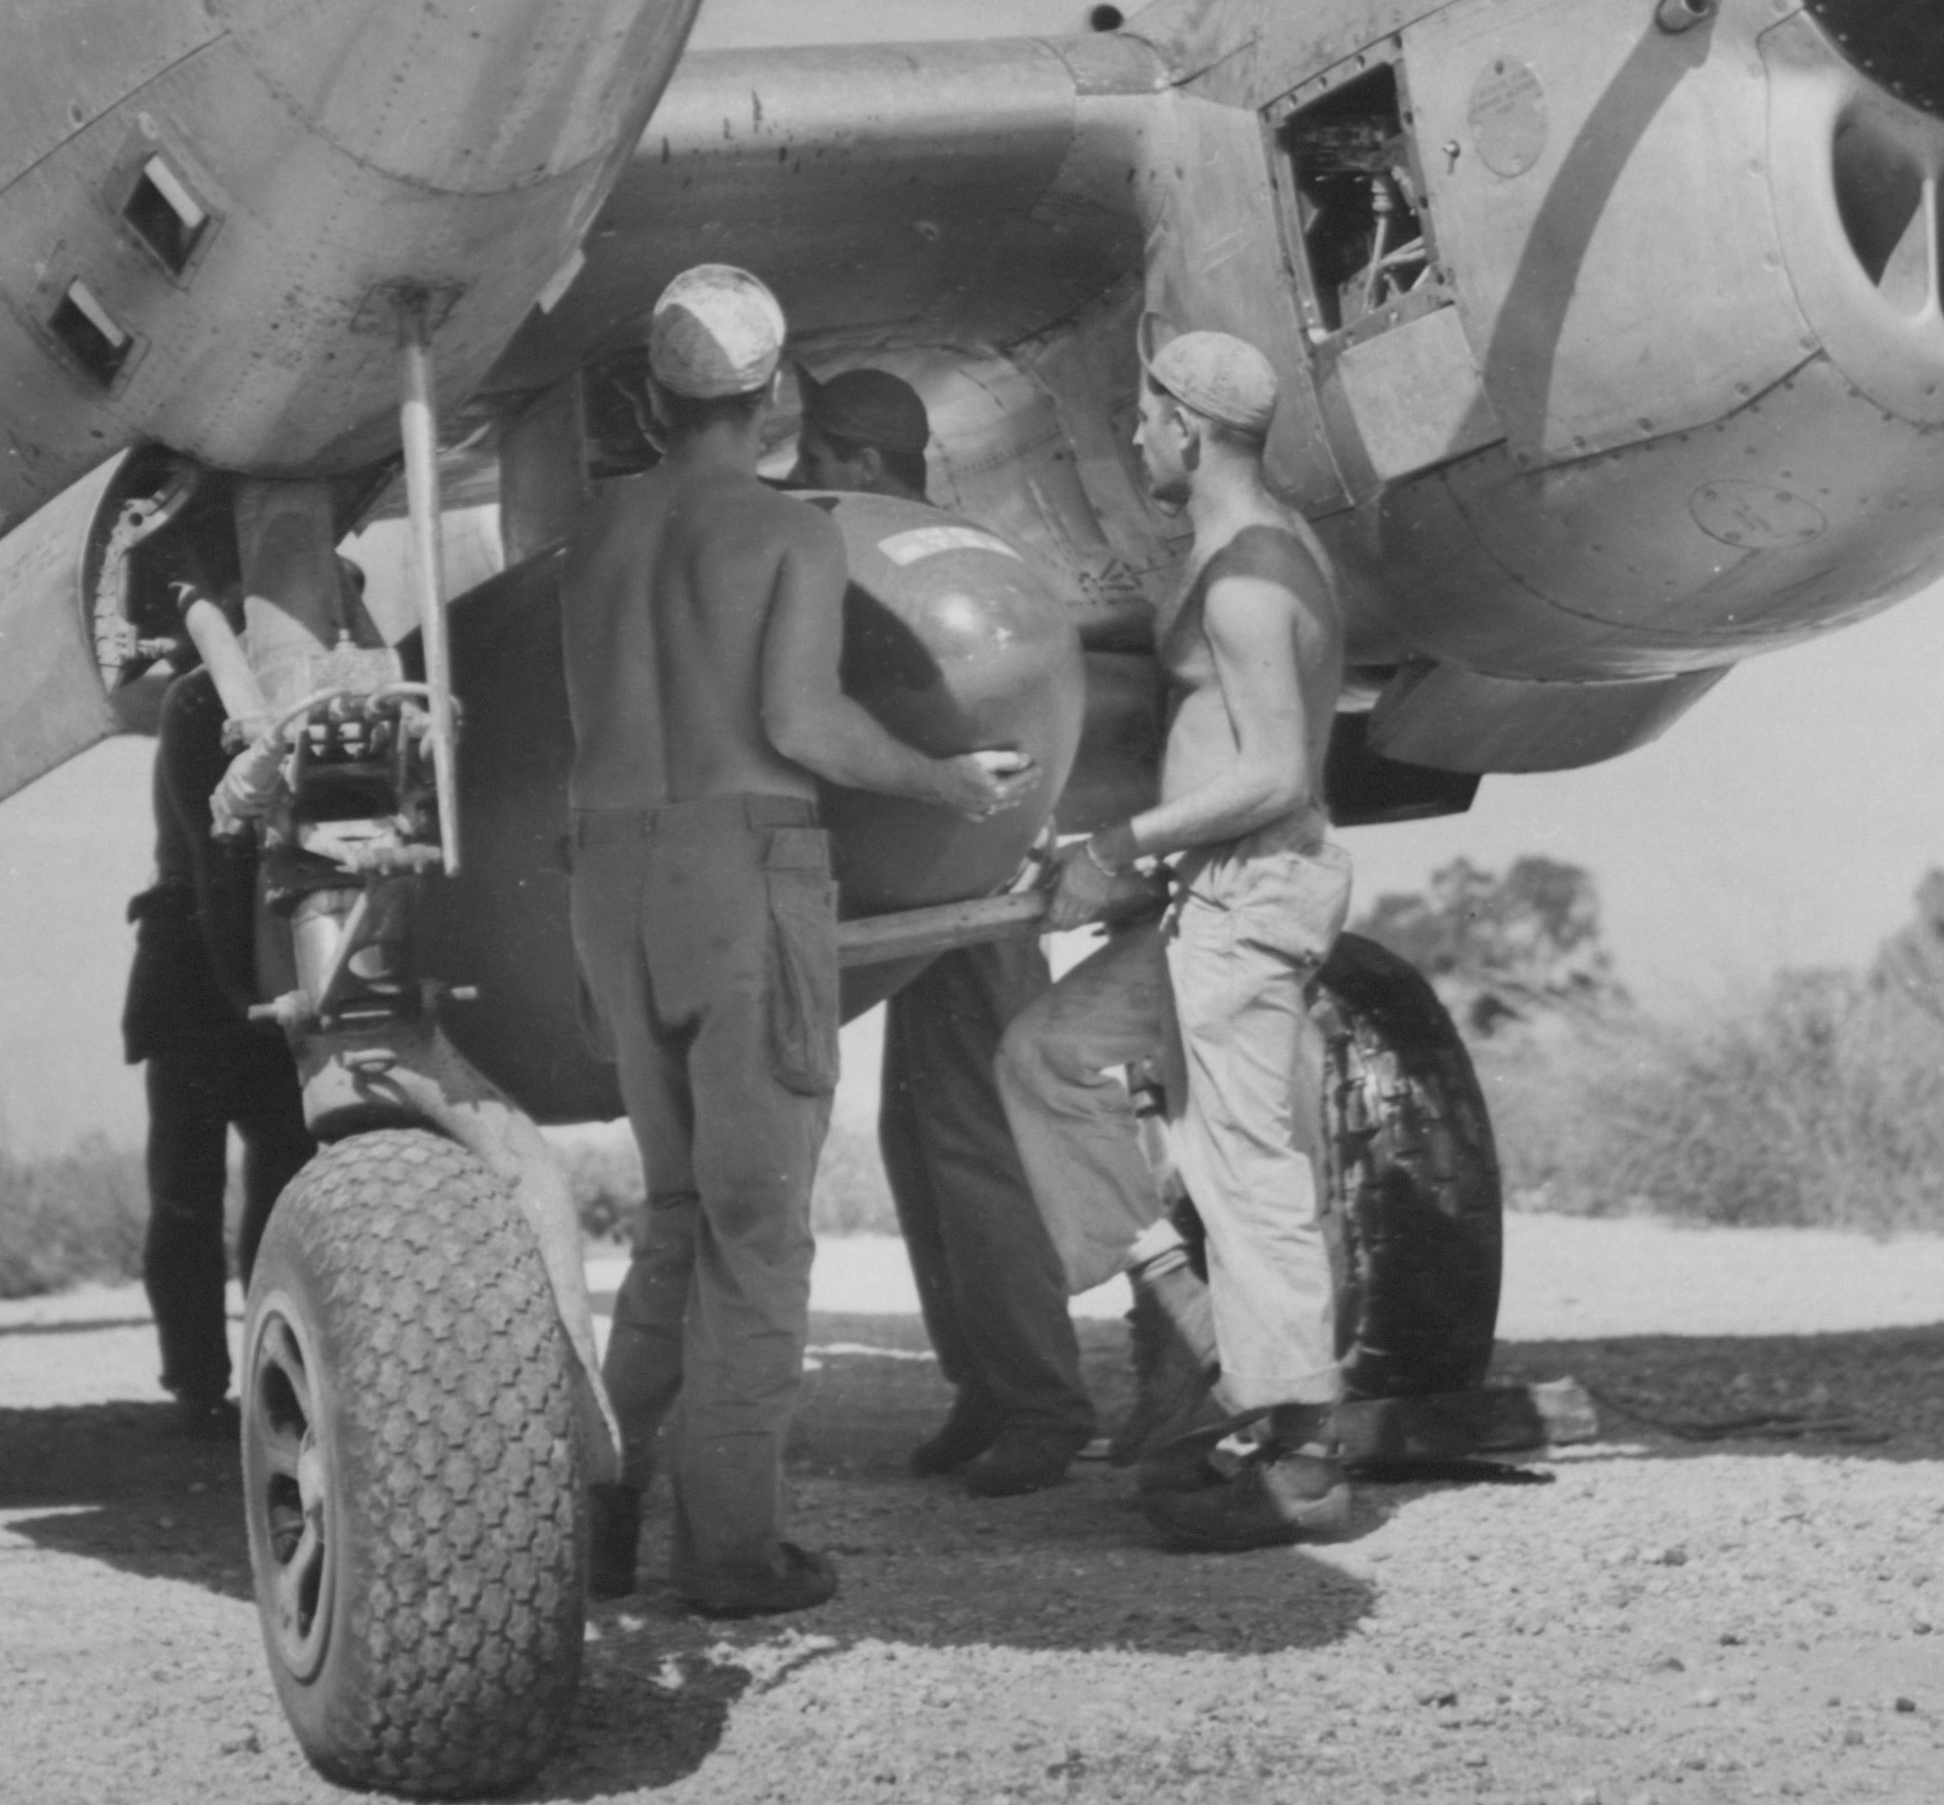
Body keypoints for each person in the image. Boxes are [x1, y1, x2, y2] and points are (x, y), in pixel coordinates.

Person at [565, 268, 1039, 1617]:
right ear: (769, 396)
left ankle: (599, 1504)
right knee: (756, 1230)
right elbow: (803, 725)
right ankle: (730, 1550)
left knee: (672, 1214)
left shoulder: (598, 531)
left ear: (654, 399)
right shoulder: (788, 535)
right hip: (738, 871)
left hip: (608, 875)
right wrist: (949, 784)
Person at [996, 329, 1355, 1552]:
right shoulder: (1242, 550)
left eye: (1145, 417)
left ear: (1187, 430)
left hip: (1249, 895)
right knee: (1045, 1059)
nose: (1135, 436)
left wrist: (1121, 844)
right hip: (1211, 892)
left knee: (1247, 1166)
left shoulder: (1251, 576)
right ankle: (1199, 1335)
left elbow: (1274, 772)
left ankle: (1305, 1461)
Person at [785, 366, 1098, 1498]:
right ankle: (984, 1380)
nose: (800, 478)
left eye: (816, 458)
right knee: (922, 1143)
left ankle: (1040, 1401)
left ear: (861, 466)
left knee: (972, 1144)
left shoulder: (885, 556)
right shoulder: (947, 548)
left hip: (965, 895)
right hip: (938, 885)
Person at [121, 667, 314, 1428]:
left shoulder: (219, 695)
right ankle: (209, 1385)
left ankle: (245, 1384)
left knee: (251, 1190)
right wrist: (248, 991)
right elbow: (213, 855)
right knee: (193, 1194)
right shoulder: (202, 696)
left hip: (240, 967)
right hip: (213, 974)